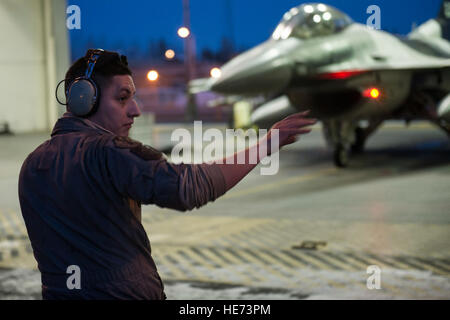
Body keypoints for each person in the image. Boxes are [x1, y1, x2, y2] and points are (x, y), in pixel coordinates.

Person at [18, 49, 316, 300]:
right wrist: (267, 144)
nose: (135, 110)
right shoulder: (109, 152)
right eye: (122, 98)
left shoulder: (32, 165)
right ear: (85, 101)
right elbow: (188, 188)